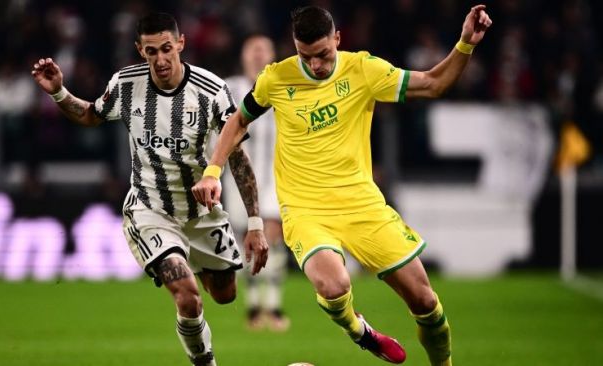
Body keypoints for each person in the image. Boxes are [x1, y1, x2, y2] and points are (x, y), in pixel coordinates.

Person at [192, 5, 492, 366]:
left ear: (337, 39)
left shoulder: (363, 69)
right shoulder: (277, 77)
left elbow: (433, 83)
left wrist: (464, 45)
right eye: (306, 56)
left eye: (323, 55)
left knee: (425, 302)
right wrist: (212, 170)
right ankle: (360, 332)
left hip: (362, 205)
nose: (316, 65)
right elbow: (238, 120)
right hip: (305, 209)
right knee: (333, 286)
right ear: (294, 47)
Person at [31, 12, 269, 366]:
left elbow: (236, 156)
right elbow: (91, 114)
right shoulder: (126, 85)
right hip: (150, 210)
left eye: (166, 49)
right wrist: (60, 93)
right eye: (151, 51)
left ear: (181, 44)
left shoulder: (210, 90)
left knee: (225, 295)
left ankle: (197, 265)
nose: (160, 59)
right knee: (188, 298)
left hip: (202, 213)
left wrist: (254, 223)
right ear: (140, 50)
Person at [222, 34, 290, 331]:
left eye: (265, 48)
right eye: (253, 49)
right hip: (238, 182)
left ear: (273, 55)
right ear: (244, 56)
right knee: (245, 242)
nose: (259, 54)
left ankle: (273, 306)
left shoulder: (286, 88)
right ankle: (253, 307)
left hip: (276, 179)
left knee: (272, 237)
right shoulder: (229, 88)